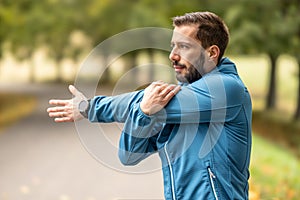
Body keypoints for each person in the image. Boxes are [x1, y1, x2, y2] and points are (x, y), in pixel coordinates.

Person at [47, 11, 252, 200]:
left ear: (212, 53)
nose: (172, 55)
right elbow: (128, 155)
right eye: (173, 45)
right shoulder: (177, 105)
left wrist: (91, 107)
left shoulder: (227, 90)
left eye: (184, 46)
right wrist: (143, 113)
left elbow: (143, 100)